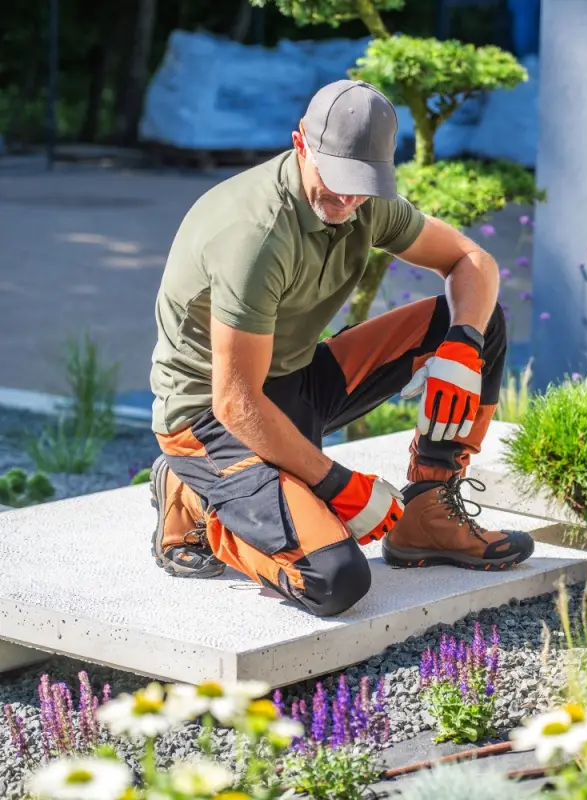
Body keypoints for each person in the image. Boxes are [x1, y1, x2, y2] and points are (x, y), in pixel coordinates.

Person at [145, 79, 534, 618]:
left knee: (477, 318)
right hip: (211, 420)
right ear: (300, 144)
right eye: (337, 178)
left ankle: (426, 517)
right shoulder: (255, 237)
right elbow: (235, 403)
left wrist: (462, 348)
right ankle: (199, 498)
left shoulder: (363, 201)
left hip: (294, 382)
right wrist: (338, 482)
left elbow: (472, 261)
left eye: (362, 183)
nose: (347, 199)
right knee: (333, 580)